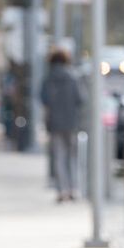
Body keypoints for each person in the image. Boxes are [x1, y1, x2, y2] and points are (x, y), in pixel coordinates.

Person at [40, 48, 84, 202]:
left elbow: (44, 101)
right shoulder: (73, 78)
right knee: (72, 157)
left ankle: (61, 190)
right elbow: (80, 99)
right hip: (71, 123)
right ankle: (74, 188)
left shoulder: (48, 79)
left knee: (58, 157)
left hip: (54, 124)